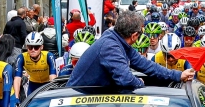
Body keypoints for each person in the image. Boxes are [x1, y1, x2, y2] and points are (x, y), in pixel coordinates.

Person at [66, 12, 195, 89]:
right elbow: (125, 79)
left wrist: (178, 75)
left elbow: (146, 65)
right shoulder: (110, 46)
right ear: (134, 36)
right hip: (76, 103)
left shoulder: (116, 39)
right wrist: (140, 82)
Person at [13, 32, 57, 100]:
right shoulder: (22, 57)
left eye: (36, 47)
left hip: (47, 84)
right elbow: (17, 79)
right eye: (30, 47)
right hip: (33, 85)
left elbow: (53, 76)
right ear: (27, 47)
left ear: (41, 47)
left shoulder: (49, 56)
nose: (33, 50)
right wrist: (16, 97)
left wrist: (54, 92)